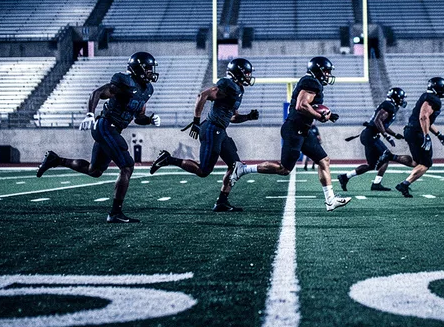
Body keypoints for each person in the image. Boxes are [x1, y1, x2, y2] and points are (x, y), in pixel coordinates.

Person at [36, 52, 161, 223]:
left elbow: (138, 116)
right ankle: (115, 213)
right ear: (138, 68)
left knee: (94, 171)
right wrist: (89, 114)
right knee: (127, 166)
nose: (150, 72)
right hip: (105, 125)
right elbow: (97, 93)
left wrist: (149, 119)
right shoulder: (124, 81)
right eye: (147, 69)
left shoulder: (147, 90)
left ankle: (56, 160)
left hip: (114, 130)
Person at [231, 56, 351, 211]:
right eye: (326, 71)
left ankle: (330, 200)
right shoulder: (311, 82)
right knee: (284, 169)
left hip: (303, 130)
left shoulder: (312, 83)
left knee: (323, 160)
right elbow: (302, 106)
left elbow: (307, 106)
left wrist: (328, 114)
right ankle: (243, 169)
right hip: (294, 130)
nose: (328, 75)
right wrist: (321, 115)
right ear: (319, 70)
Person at [148, 58, 259, 212]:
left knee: (235, 166)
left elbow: (232, 117)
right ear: (238, 73)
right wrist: (195, 120)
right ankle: (168, 159)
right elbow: (203, 95)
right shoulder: (228, 85)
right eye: (246, 73)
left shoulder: (238, 89)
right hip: (212, 129)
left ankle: (222, 202)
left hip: (220, 130)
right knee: (203, 171)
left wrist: (248, 117)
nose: (249, 76)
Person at [376, 78, 444, 198]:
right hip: (417, 132)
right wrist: (426, 136)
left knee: (417, 162)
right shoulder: (433, 99)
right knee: (426, 164)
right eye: (443, 88)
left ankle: (391, 156)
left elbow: (427, 120)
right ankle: (404, 184)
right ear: (438, 88)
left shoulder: (427, 97)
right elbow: (424, 117)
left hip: (410, 130)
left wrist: (438, 134)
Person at [338, 87, 409, 192]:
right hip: (371, 136)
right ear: (396, 97)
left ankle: (345, 177)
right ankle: (376, 184)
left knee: (371, 165)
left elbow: (382, 123)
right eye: (401, 98)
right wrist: (387, 136)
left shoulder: (389, 105)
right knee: (386, 157)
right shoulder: (389, 105)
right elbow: (377, 120)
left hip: (369, 135)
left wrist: (394, 134)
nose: (403, 100)